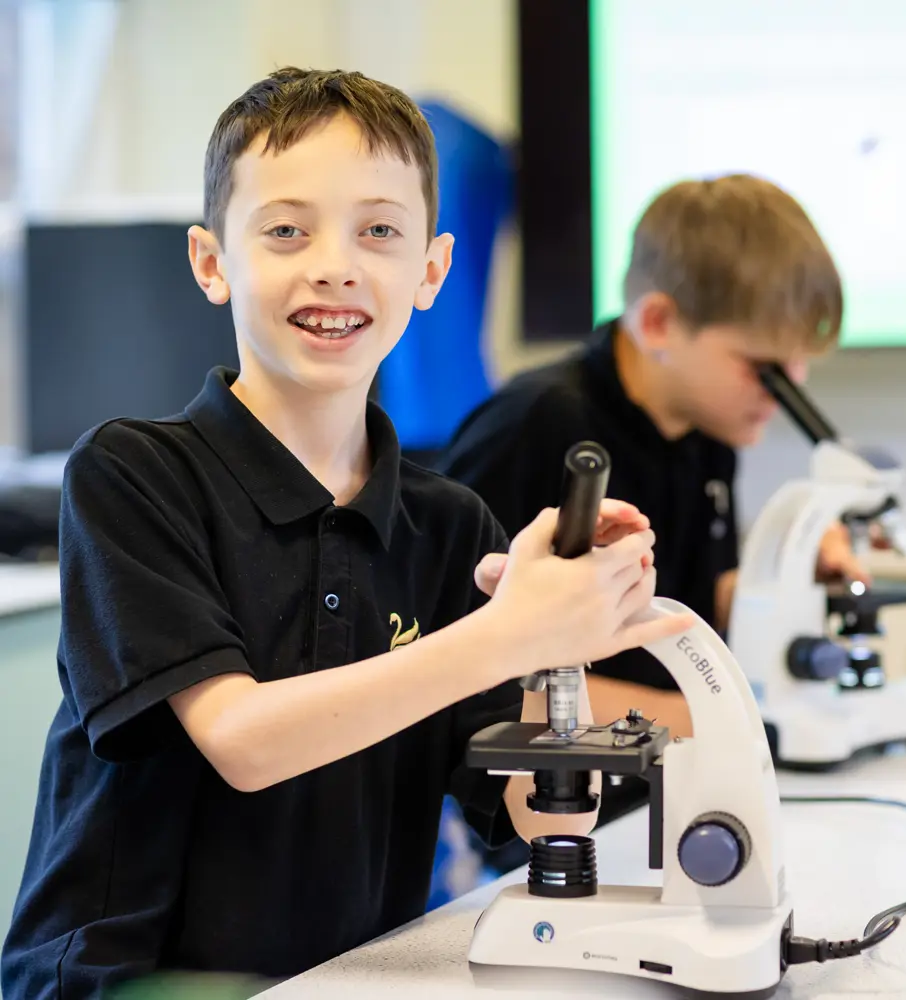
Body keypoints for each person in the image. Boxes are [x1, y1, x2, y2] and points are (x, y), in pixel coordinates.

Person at [0, 68, 692, 1000]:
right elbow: (242, 740)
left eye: (379, 231)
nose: (335, 264)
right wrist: (511, 632)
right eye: (286, 230)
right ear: (213, 263)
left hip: (352, 980)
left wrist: (567, 654)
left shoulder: (448, 527)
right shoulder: (131, 476)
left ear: (432, 271)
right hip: (130, 984)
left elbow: (527, 814)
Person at [440, 173, 870, 778]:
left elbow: (679, 601)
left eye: (798, 363)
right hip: (547, 804)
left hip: (662, 774)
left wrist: (788, 570)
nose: (790, 389)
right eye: (765, 369)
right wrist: (708, 714)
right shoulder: (534, 428)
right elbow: (462, 670)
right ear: (661, 324)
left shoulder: (704, 433)